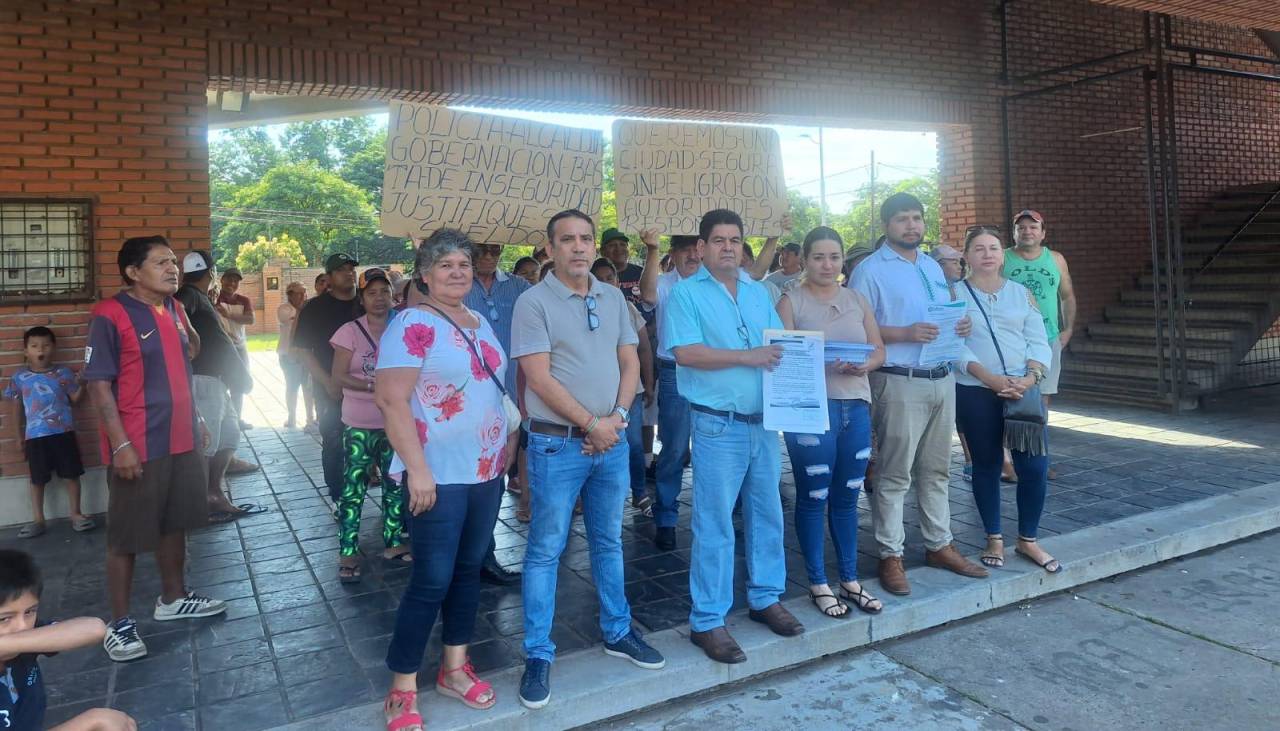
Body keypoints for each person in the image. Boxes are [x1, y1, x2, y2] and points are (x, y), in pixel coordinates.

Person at [513, 209, 663, 710]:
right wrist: (590, 424)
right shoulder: (533, 302)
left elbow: (629, 359)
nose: (578, 247)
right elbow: (538, 377)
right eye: (567, 240)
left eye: (585, 239)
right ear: (550, 247)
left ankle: (618, 632)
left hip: (611, 442)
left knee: (608, 542)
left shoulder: (612, 296)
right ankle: (538, 654)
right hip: (559, 444)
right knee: (545, 550)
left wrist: (617, 417)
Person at [375, 229, 519, 730]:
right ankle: (402, 687)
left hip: (484, 470)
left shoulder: (479, 320)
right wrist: (417, 470)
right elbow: (391, 399)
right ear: (425, 274)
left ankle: (455, 668)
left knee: (468, 570)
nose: (457, 272)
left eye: (463, 263)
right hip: (436, 473)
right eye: (445, 265)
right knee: (430, 578)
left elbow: (492, 389)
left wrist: (505, 449)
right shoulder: (413, 323)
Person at [666, 208, 803, 664]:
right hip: (716, 423)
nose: (728, 247)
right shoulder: (685, 294)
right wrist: (749, 357)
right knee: (714, 522)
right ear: (701, 248)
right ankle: (707, 621)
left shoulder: (759, 290)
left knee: (768, 514)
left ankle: (766, 598)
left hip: (763, 421)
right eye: (719, 240)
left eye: (735, 239)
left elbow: (779, 346)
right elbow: (685, 353)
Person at [85, 236, 226, 662]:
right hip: (138, 443)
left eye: (173, 263)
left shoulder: (177, 308)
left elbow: (186, 363)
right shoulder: (110, 314)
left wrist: (197, 417)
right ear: (132, 271)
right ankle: (120, 623)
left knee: (175, 522)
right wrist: (120, 443)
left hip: (182, 437)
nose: (172, 269)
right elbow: (98, 385)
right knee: (126, 536)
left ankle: (173, 598)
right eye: (161, 262)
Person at [850, 193, 987, 597]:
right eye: (901, 220)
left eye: (916, 218)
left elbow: (943, 316)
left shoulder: (931, 265)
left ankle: (938, 544)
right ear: (886, 225)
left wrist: (958, 326)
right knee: (894, 473)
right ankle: (890, 555)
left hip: (941, 376)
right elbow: (860, 328)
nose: (911, 226)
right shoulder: (870, 271)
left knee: (937, 469)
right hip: (899, 378)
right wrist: (904, 333)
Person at [778, 227, 886, 619]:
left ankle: (850, 580)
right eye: (819, 257)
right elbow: (783, 357)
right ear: (805, 260)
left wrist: (865, 363)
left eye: (835, 257)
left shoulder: (857, 299)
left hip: (854, 406)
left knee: (849, 496)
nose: (828, 264)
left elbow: (878, 350)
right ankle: (819, 583)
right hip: (811, 411)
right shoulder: (790, 300)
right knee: (814, 496)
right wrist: (820, 361)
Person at [957, 228, 1058, 574]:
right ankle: (994, 537)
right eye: (979, 248)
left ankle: (1027, 539)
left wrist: (1030, 378)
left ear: (1003, 255)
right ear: (966, 256)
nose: (987, 254)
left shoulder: (1021, 293)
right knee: (985, 465)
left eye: (994, 248)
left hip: (1022, 390)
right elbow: (953, 347)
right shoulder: (954, 296)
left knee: (1034, 468)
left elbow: (1038, 339)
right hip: (975, 390)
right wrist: (990, 378)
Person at [0, 550, 138, 731]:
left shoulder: (24, 637)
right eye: (4, 618)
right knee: (103, 722)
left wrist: (6, 645)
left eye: (30, 612)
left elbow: (94, 629)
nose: (22, 627)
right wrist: (89, 721)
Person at [331, 268, 409, 582]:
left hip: (395, 422)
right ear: (361, 299)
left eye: (385, 292)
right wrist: (374, 387)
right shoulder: (349, 331)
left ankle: (392, 542)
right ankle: (348, 551)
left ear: (394, 296)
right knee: (354, 489)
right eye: (372, 293)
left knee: (394, 484)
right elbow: (339, 377)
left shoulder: (403, 327)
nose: (379, 298)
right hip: (360, 422)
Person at [176, 251, 263, 524]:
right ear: (211, 273)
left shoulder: (201, 297)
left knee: (229, 437)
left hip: (217, 381)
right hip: (201, 381)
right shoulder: (188, 294)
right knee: (207, 444)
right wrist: (189, 342)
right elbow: (175, 315)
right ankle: (200, 501)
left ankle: (214, 493)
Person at [464, 243, 532, 585]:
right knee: (466, 479)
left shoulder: (521, 288)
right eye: (480, 248)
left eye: (494, 247)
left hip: (510, 397)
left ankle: (484, 555)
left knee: (498, 478)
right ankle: (466, 557)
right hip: (465, 401)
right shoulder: (457, 284)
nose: (488, 254)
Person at [637, 233, 701, 549]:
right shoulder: (664, 283)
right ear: (673, 254)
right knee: (674, 448)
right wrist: (652, 248)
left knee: (713, 449)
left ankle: (714, 516)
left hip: (714, 374)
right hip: (676, 372)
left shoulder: (718, 283)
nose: (692, 255)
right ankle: (666, 518)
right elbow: (647, 294)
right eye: (684, 249)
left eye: (696, 248)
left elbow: (754, 274)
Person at [1004, 209, 1076, 480]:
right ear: (1014, 233)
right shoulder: (1003, 258)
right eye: (1021, 228)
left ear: (1043, 233)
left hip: (1046, 339)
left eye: (1033, 227)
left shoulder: (1056, 259)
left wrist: (1067, 329)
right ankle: (1007, 462)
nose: (1027, 231)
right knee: (1007, 398)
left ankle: (1036, 459)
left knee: (1041, 401)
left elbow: (1067, 295)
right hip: (1011, 340)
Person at [4, 327, 94, 538]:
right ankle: (38, 519)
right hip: (35, 437)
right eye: (34, 346)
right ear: (26, 351)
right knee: (38, 479)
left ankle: (76, 514)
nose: (40, 350)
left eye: (45, 345)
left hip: (63, 433)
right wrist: (18, 436)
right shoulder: (19, 377)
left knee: (71, 474)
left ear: (53, 348)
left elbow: (76, 399)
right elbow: (16, 409)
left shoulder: (63, 373)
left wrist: (82, 384)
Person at [292, 252, 362, 503]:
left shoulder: (366, 303)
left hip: (369, 389)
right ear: (329, 277)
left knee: (373, 442)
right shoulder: (315, 308)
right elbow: (302, 350)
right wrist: (327, 381)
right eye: (341, 270)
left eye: (351, 268)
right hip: (330, 389)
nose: (349, 273)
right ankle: (338, 496)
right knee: (334, 440)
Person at [592, 256, 656, 517]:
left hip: (633, 391)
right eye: (600, 278)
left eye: (611, 278)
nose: (607, 283)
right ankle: (604, 496)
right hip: (599, 392)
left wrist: (649, 383)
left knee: (633, 444)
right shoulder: (583, 307)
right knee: (603, 443)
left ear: (618, 281)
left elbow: (644, 349)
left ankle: (639, 492)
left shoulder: (628, 307)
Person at [930, 245, 974, 481]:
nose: (960, 266)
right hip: (937, 365)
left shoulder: (962, 290)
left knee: (964, 413)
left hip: (963, 364)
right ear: (937, 264)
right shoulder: (929, 291)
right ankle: (968, 459)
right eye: (954, 261)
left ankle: (974, 459)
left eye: (961, 261)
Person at [214, 268, 254, 429]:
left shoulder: (243, 300)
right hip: (221, 347)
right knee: (221, 383)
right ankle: (223, 420)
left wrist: (229, 315)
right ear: (221, 280)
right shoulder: (213, 298)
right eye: (229, 279)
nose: (232, 283)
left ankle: (237, 419)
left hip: (239, 347)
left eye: (235, 281)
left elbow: (250, 319)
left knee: (239, 383)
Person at [277, 282, 315, 429]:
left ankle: (310, 419)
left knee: (308, 387)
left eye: (304, 292)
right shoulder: (284, 309)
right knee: (292, 387)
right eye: (299, 293)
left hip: (306, 353)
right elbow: (294, 324)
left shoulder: (308, 309)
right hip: (288, 354)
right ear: (290, 294)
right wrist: (301, 310)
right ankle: (291, 417)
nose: (303, 296)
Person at [599, 228, 644, 305]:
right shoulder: (594, 276)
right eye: (612, 245)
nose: (618, 248)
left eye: (622, 244)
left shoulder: (641, 273)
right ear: (602, 251)